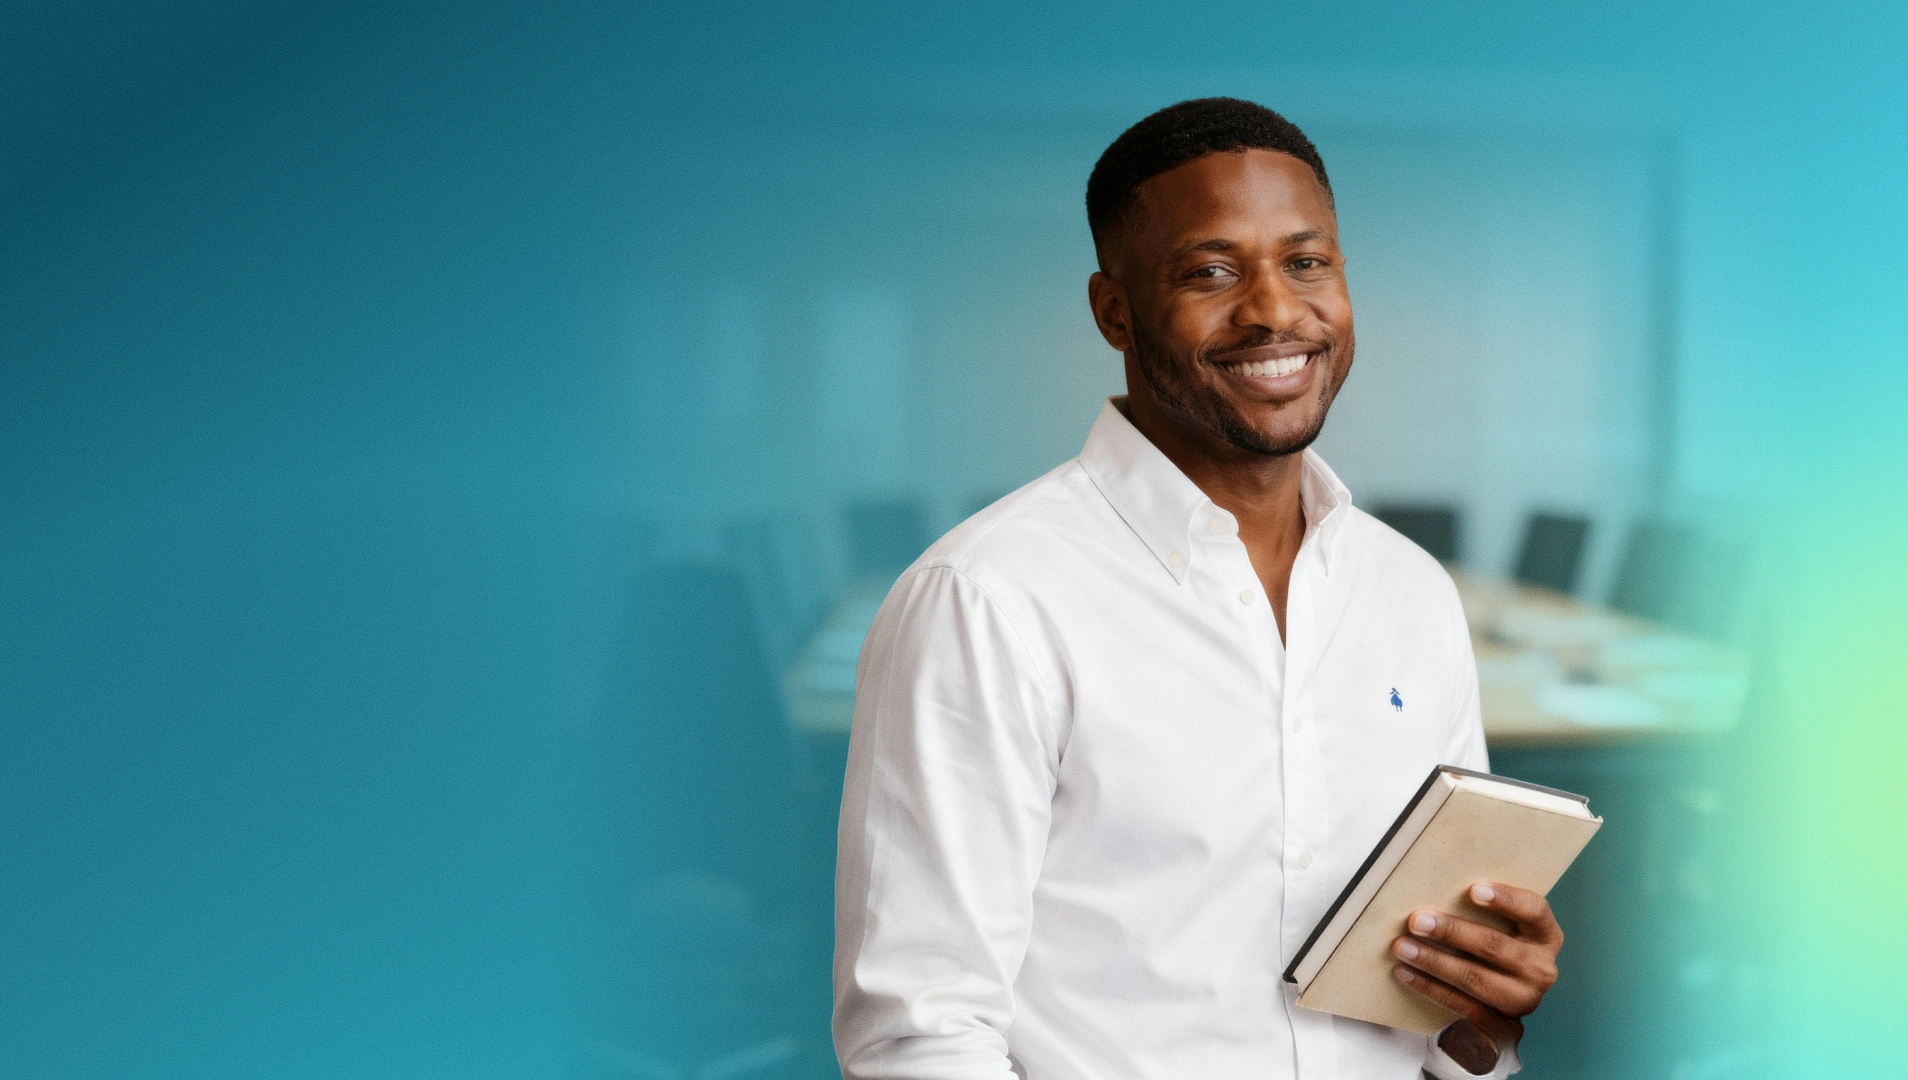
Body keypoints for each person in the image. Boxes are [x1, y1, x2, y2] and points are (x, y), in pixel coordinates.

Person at [833, 97, 1564, 1080]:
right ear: (1114, 311)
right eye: (1212, 271)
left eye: (1307, 261)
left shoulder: (1411, 595)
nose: (1273, 308)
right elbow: (920, 1037)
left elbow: (1439, 1031)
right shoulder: (988, 599)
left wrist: (1480, 1028)